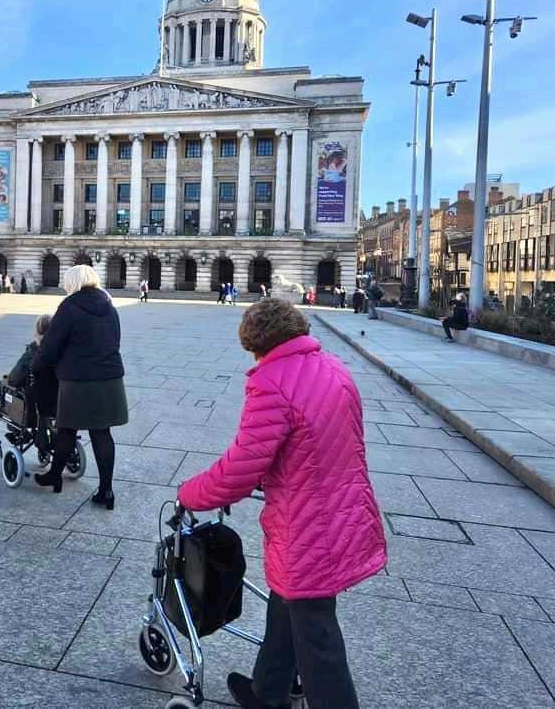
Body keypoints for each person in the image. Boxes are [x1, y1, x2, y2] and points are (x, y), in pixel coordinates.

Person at [177, 299, 385, 709]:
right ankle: (268, 692)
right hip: (345, 512)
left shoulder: (272, 382)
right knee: (286, 604)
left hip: (310, 524)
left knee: (317, 637)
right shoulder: (334, 368)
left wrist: (189, 493)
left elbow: (239, 470)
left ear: (257, 343)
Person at [34, 265, 127, 510]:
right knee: (101, 433)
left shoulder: (69, 306)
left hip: (78, 379)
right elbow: (115, 340)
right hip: (109, 377)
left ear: (72, 282)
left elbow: (50, 346)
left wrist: (37, 364)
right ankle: (106, 490)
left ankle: (54, 476)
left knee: (66, 428)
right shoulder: (109, 305)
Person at [7, 314, 59, 455]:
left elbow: (14, 379)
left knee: (3, 386)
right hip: (58, 407)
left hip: (32, 411)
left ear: (37, 332)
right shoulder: (61, 353)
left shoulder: (32, 354)